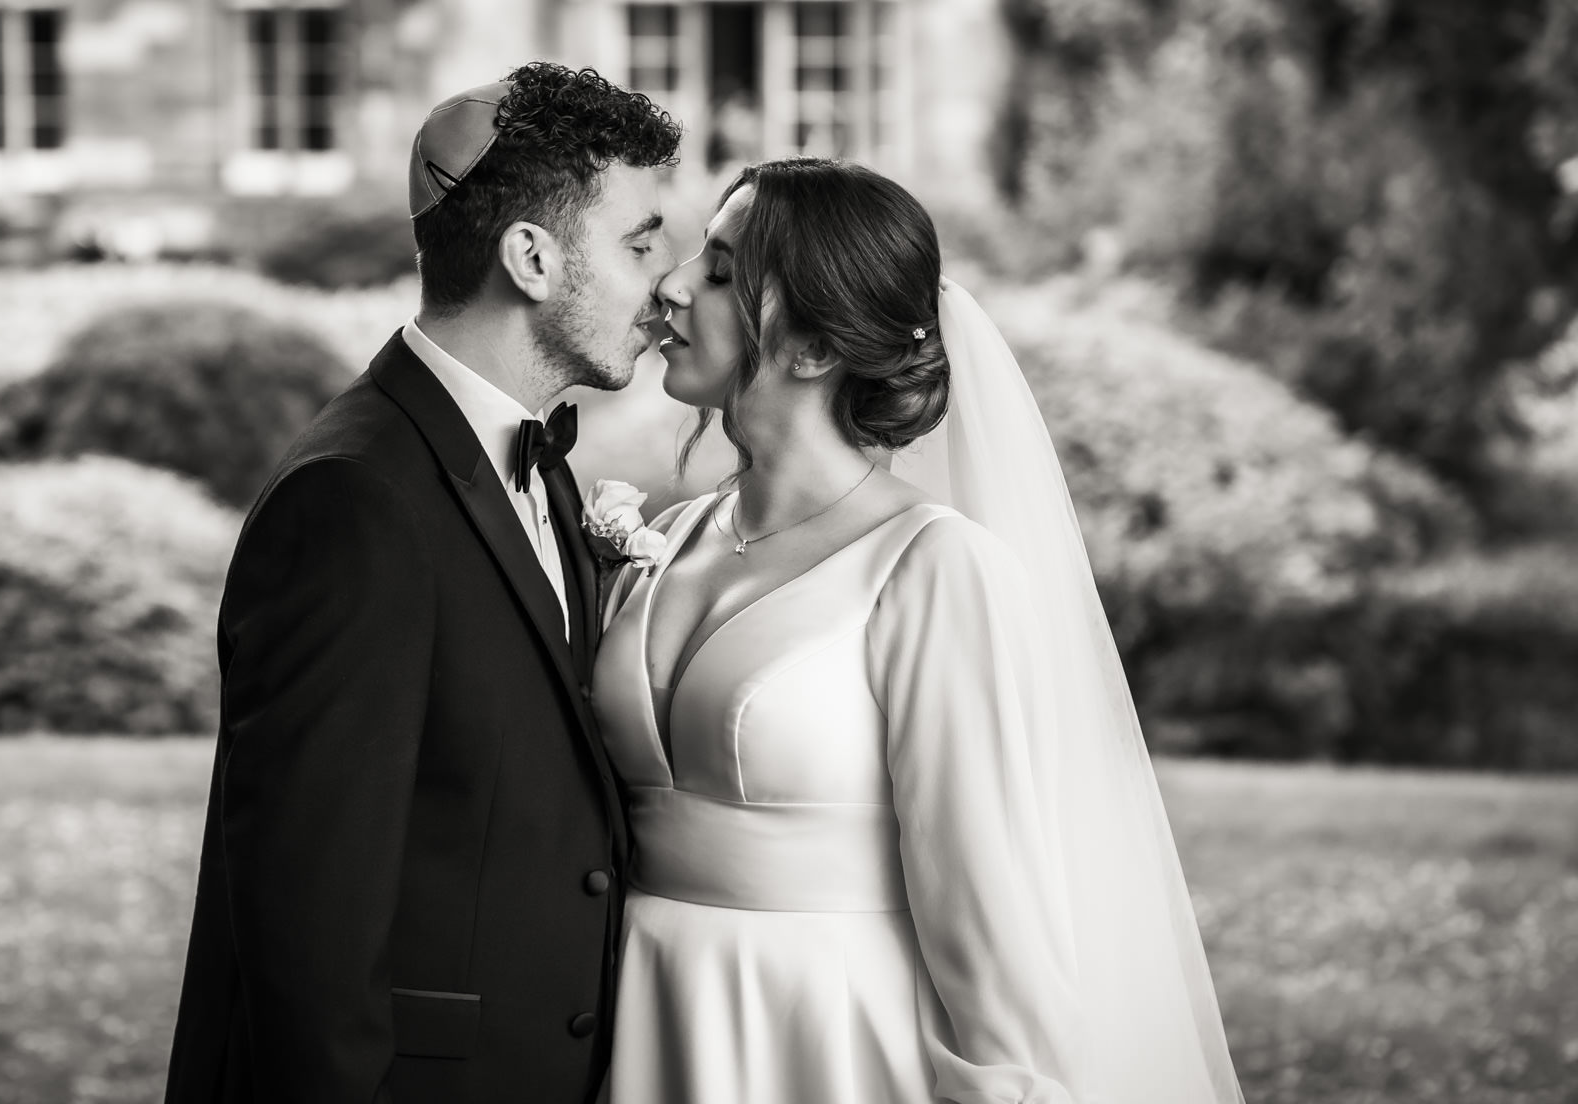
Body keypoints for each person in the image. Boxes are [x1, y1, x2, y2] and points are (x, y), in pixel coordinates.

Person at [588, 158, 1244, 1103]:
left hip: (825, 1042)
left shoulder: (934, 570)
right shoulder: (673, 534)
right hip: (640, 1019)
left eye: (723, 272)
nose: (673, 285)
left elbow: (983, 905)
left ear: (814, 347)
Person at [164, 63, 681, 1104]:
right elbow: (306, 920)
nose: (666, 284)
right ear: (531, 258)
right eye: (638, 244)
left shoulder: (533, 463)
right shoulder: (354, 501)